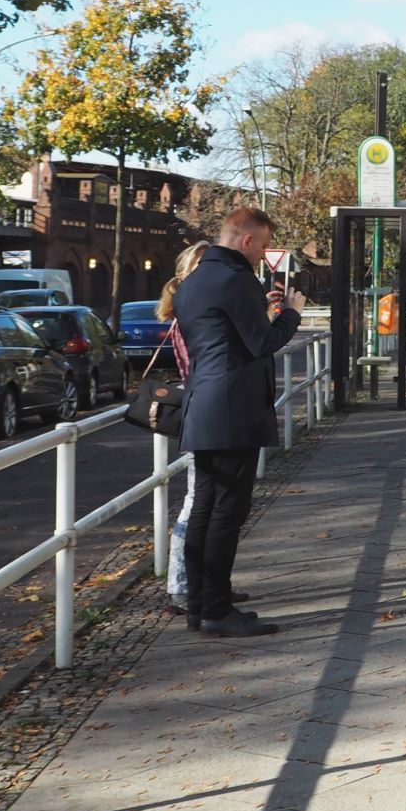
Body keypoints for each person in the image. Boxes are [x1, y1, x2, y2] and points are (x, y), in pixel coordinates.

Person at [175, 207, 306, 637]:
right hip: (233, 408)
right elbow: (261, 343)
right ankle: (216, 610)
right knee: (227, 511)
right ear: (247, 240)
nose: (263, 254)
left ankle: (201, 604)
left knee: (205, 509)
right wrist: (290, 313)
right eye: (264, 245)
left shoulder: (193, 281)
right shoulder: (236, 280)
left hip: (204, 404)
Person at [156, 242, 213, 616]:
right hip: (203, 412)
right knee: (196, 502)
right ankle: (180, 586)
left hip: (203, 410)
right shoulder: (190, 314)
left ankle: (203, 583)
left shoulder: (188, 309)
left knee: (204, 502)